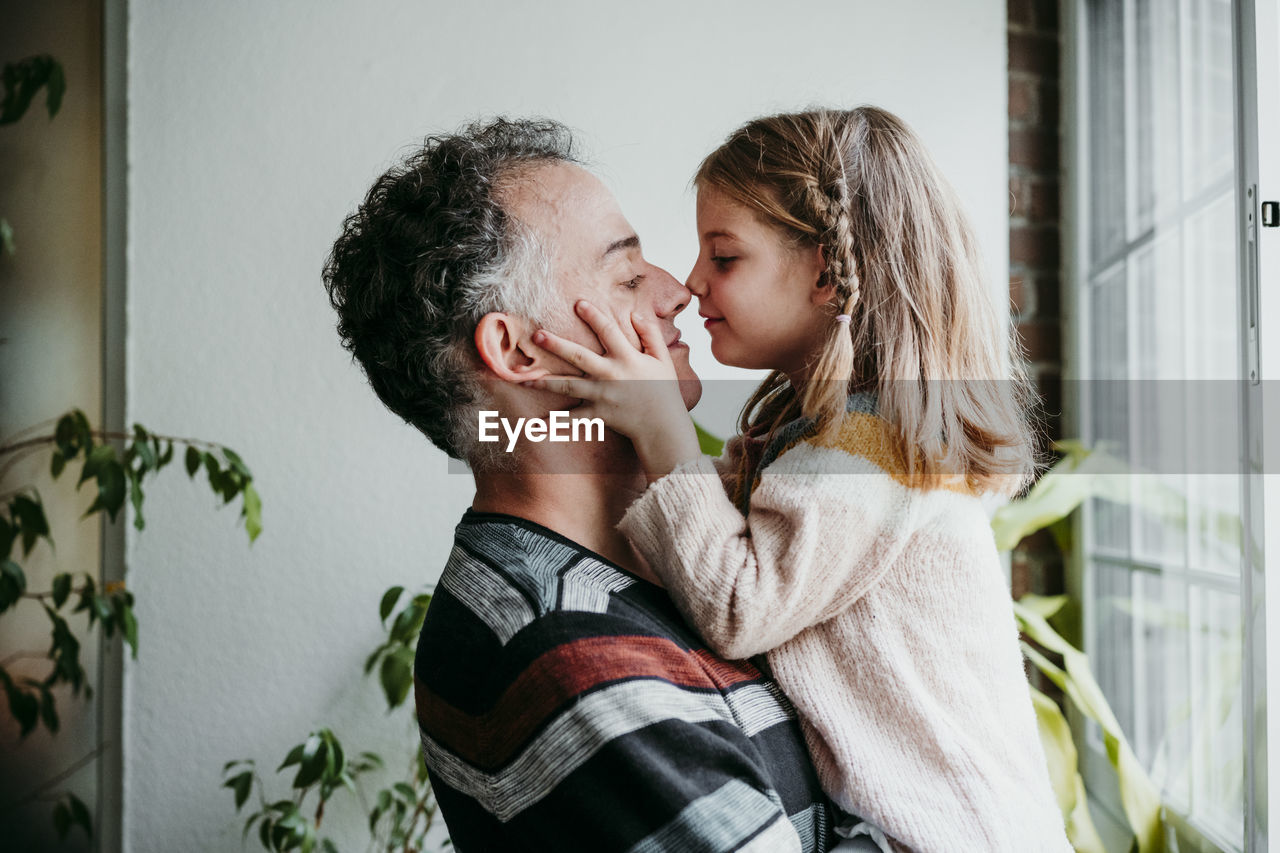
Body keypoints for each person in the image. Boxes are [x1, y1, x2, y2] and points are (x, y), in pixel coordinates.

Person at [528, 107, 1072, 852]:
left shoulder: (870, 451)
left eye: (724, 258)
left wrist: (660, 426)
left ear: (823, 272)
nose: (690, 283)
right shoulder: (828, 435)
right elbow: (721, 515)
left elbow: (737, 602)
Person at [322, 118, 847, 852]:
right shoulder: (560, 649)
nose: (678, 292)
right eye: (628, 276)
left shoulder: (702, 548)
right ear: (515, 350)